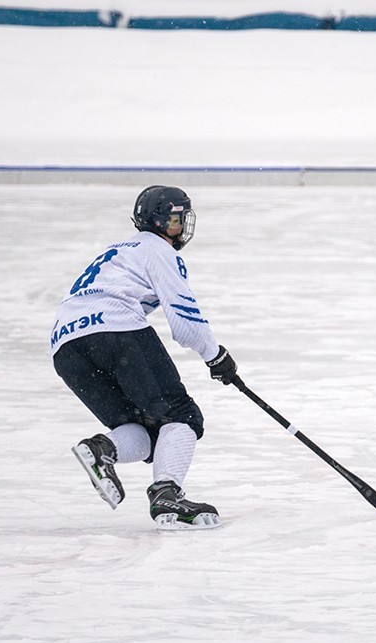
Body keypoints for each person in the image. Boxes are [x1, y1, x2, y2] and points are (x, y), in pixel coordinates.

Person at [50, 185, 237, 530]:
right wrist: (216, 357)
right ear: (163, 221)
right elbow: (185, 320)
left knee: (144, 431)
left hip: (65, 346)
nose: (182, 228)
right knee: (181, 415)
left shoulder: (117, 250)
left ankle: (101, 448)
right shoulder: (158, 251)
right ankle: (167, 492)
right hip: (115, 330)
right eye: (178, 220)